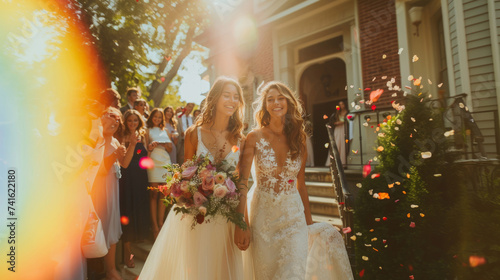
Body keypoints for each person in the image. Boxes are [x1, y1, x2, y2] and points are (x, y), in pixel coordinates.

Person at [238, 81, 353, 279]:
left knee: (294, 273)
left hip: (293, 217)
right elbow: (241, 182)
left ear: (289, 102)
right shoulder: (254, 137)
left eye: (280, 98)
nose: (276, 103)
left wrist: (308, 225)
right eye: (270, 99)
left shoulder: (299, 139)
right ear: (264, 105)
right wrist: (242, 223)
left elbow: (301, 185)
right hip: (262, 219)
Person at [138, 76, 246, 280]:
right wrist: (187, 191)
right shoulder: (193, 134)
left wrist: (243, 223)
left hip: (227, 219)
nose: (232, 100)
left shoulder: (241, 138)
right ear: (214, 97)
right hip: (196, 217)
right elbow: (185, 175)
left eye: (236, 97)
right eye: (227, 95)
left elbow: (241, 183)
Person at [91, 107, 136, 280]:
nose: (116, 121)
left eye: (118, 119)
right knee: (103, 227)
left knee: (112, 228)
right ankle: (106, 270)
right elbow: (100, 171)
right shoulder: (97, 140)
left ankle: (110, 270)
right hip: (101, 192)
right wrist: (115, 155)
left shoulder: (115, 141)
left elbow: (124, 164)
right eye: (111, 117)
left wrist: (132, 144)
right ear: (101, 119)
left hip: (113, 191)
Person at [118, 110, 150, 268]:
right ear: (125, 121)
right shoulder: (122, 137)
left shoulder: (142, 135)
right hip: (127, 178)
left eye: (135, 120)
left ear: (139, 122)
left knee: (139, 209)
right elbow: (124, 161)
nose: (132, 123)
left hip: (141, 178)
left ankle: (137, 244)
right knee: (128, 211)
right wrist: (131, 143)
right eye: (129, 120)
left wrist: (149, 148)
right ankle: (127, 252)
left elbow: (144, 157)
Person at [145, 108, 173, 238]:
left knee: (164, 193)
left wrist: (166, 143)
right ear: (151, 117)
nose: (157, 119)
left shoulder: (165, 130)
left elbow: (170, 148)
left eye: (159, 117)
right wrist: (152, 145)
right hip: (153, 162)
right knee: (153, 194)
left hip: (165, 162)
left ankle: (161, 224)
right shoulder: (147, 130)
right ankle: (154, 227)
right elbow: (146, 148)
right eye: (155, 117)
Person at [326, 100, 348, 167]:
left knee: (342, 144)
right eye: (340, 104)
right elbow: (334, 120)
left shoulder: (347, 112)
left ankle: (342, 162)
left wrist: (340, 122)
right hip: (337, 129)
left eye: (342, 104)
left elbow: (345, 120)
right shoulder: (337, 113)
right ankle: (333, 161)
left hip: (343, 128)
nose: (341, 106)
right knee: (336, 143)